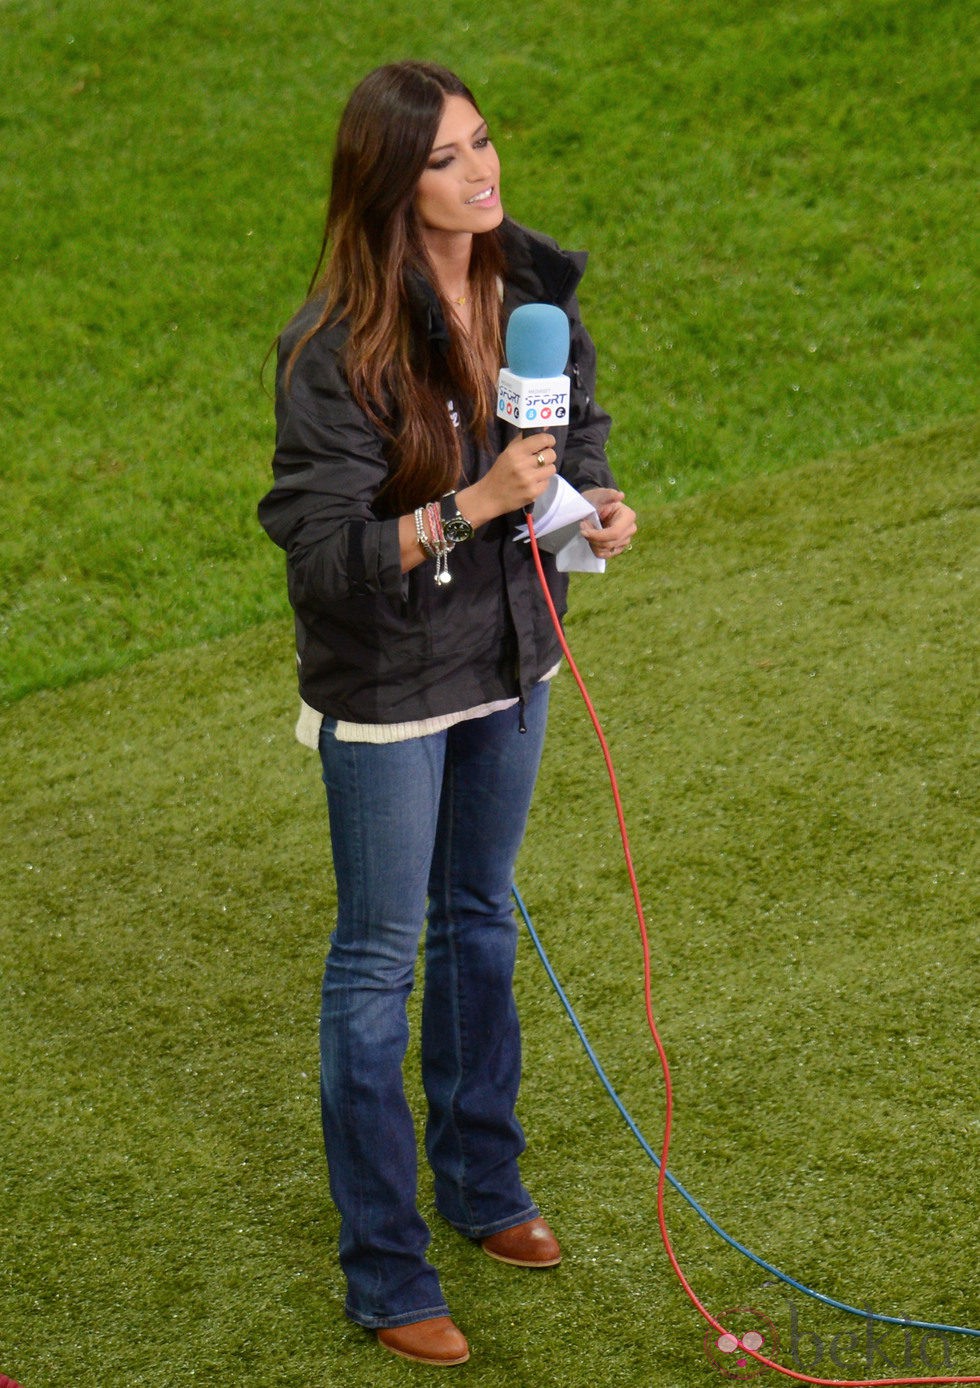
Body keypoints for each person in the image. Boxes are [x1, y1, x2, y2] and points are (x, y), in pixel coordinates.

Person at [257, 60, 636, 1367]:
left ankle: (484, 1190)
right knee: (379, 957)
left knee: (480, 918)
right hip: (388, 690)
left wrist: (595, 506)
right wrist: (464, 510)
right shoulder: (334, 354)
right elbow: (317, 556)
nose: (483, 173)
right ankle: (386, 1265)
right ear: (387, 183)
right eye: (447, 159)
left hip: (512, 660)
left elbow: (571, 439)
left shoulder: (531, 298)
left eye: (485, 144)